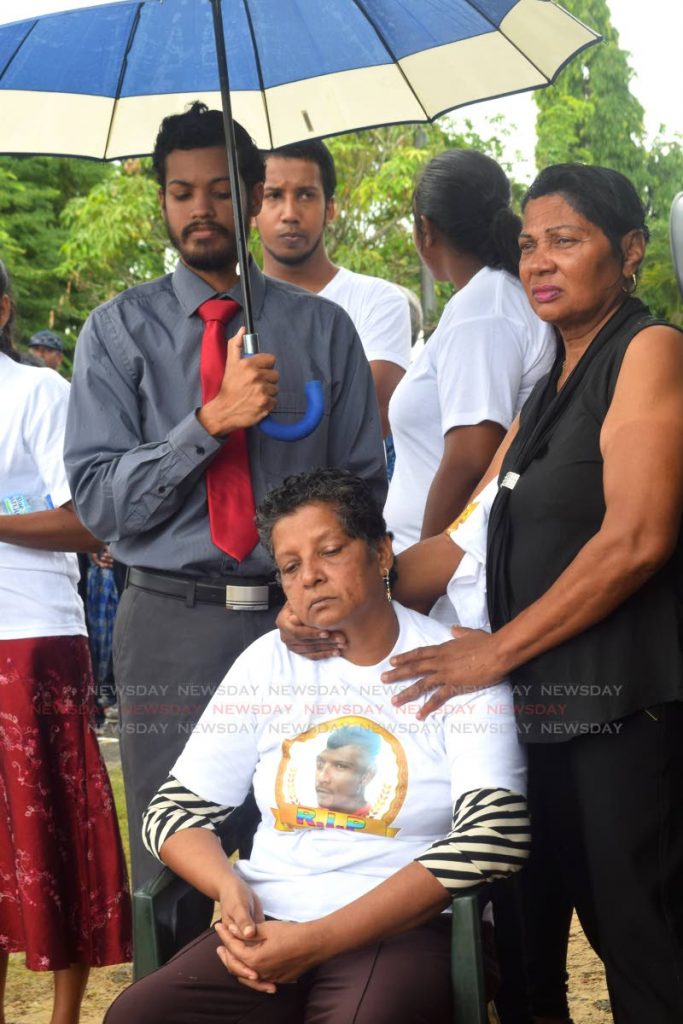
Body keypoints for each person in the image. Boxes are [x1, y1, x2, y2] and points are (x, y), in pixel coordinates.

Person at [63, 102, 387, 911]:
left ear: (252, 193)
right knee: (173, 875)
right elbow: (102, 505)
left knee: (319, 850)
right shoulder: (115, 334)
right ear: (163, 204)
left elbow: (362, 488)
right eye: (180, 192)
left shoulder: (323, 331)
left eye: (218, 189)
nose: (199, 209)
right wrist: (209, 421)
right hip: (173, 629)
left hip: (307, 630)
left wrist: (319, 595)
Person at [380, 164, 683, 1024]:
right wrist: (344, 584)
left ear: (627, 254)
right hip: (525, 720)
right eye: (526, 246)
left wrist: (494, 650)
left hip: (619, 711)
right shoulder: (546, 384)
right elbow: (463, 539)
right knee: (518, 955)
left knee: (643, 952)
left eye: (566, 241)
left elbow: (637, 539)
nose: (539, 263)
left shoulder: (648, 351)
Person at [104, 468, 529, 1024]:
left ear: (381, 554)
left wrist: (317, 940)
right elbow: (172, 813)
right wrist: (228, 887)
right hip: (268, 920)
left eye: (330, 551)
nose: (310, 577)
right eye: (290, 566)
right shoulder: (266, 664)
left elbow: (495, 834)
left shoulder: (457, 664)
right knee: (138, 1016)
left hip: (402, 929)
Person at [0, 260, 131, 1024]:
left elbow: (88, 522)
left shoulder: (39, 393)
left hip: (33, 639)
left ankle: (63, 1016)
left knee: (52, 830)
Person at [383, 149, 554, 567]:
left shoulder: (484, 307)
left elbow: (470, 458)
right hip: (458, 562)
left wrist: (422, 573)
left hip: (453, 577)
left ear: (425, 229)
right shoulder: (491, 297)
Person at [255, 140, 412, 437]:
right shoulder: (230, 309)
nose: (289, 213)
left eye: (305, 195)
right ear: (251, 208)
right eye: (273, 195)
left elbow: (371, 416)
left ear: (330, 208)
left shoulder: (378, 300)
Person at [315, 725, 380, 814]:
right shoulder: (300, 820)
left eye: (340, 766)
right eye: (320, 764)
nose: (321, 778)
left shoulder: (380, 822)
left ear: (367, 776)